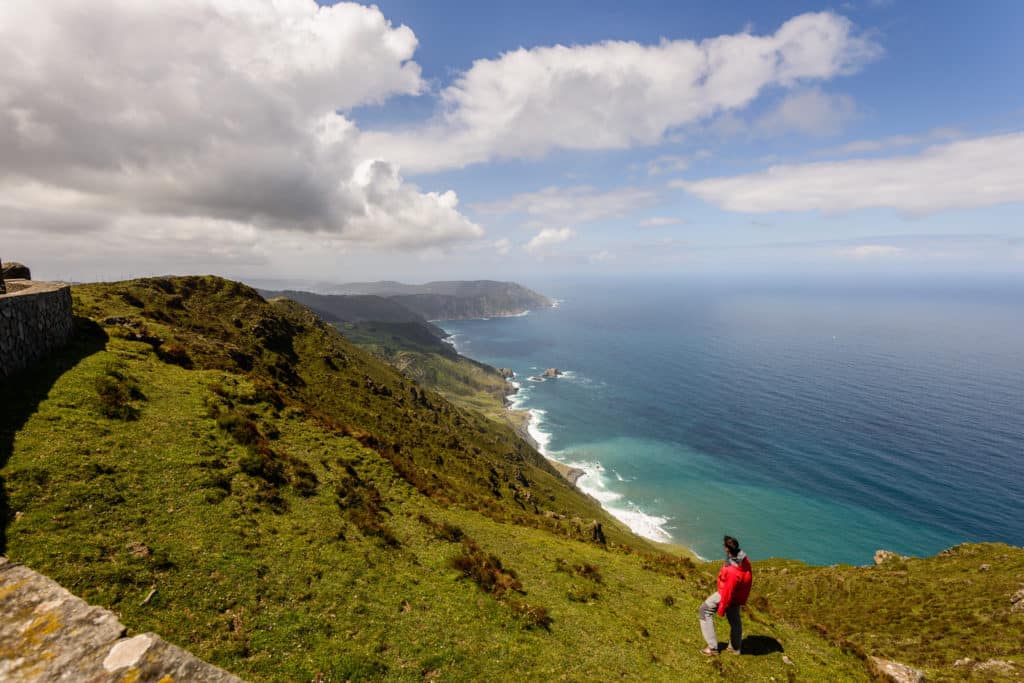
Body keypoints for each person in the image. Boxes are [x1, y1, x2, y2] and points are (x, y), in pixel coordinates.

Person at [699, 535, 752, 656]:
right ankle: (735, 647)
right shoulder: (744, 559)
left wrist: (722, 609)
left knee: (704, 610)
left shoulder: (732, 571)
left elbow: (728, 592)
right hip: (738, 594)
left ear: (727, 549)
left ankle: (712, 648)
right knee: (734, 619)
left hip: (727, 593)